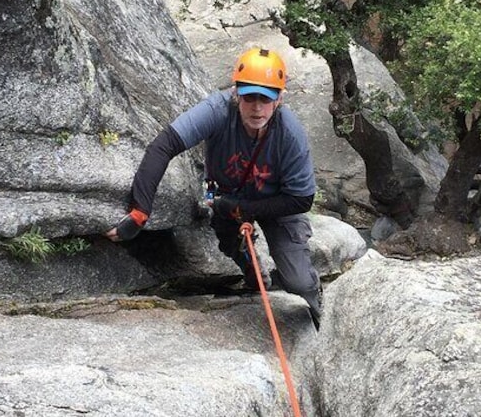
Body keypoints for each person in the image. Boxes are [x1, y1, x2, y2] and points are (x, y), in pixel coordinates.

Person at [104, 47, 323, 329]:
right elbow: (165, 145)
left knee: (298, 282)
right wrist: (139, 211)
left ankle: (317, 314)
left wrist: (246, 209)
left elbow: (302, 199)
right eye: (249, 97)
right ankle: (253, 271)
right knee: (231, 245)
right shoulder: (217, 110)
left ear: (279, 99)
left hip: (280, 204)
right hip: (228, 197)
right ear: (235, 93)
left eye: (265, 99)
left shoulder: (290, 133)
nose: (257, 107)